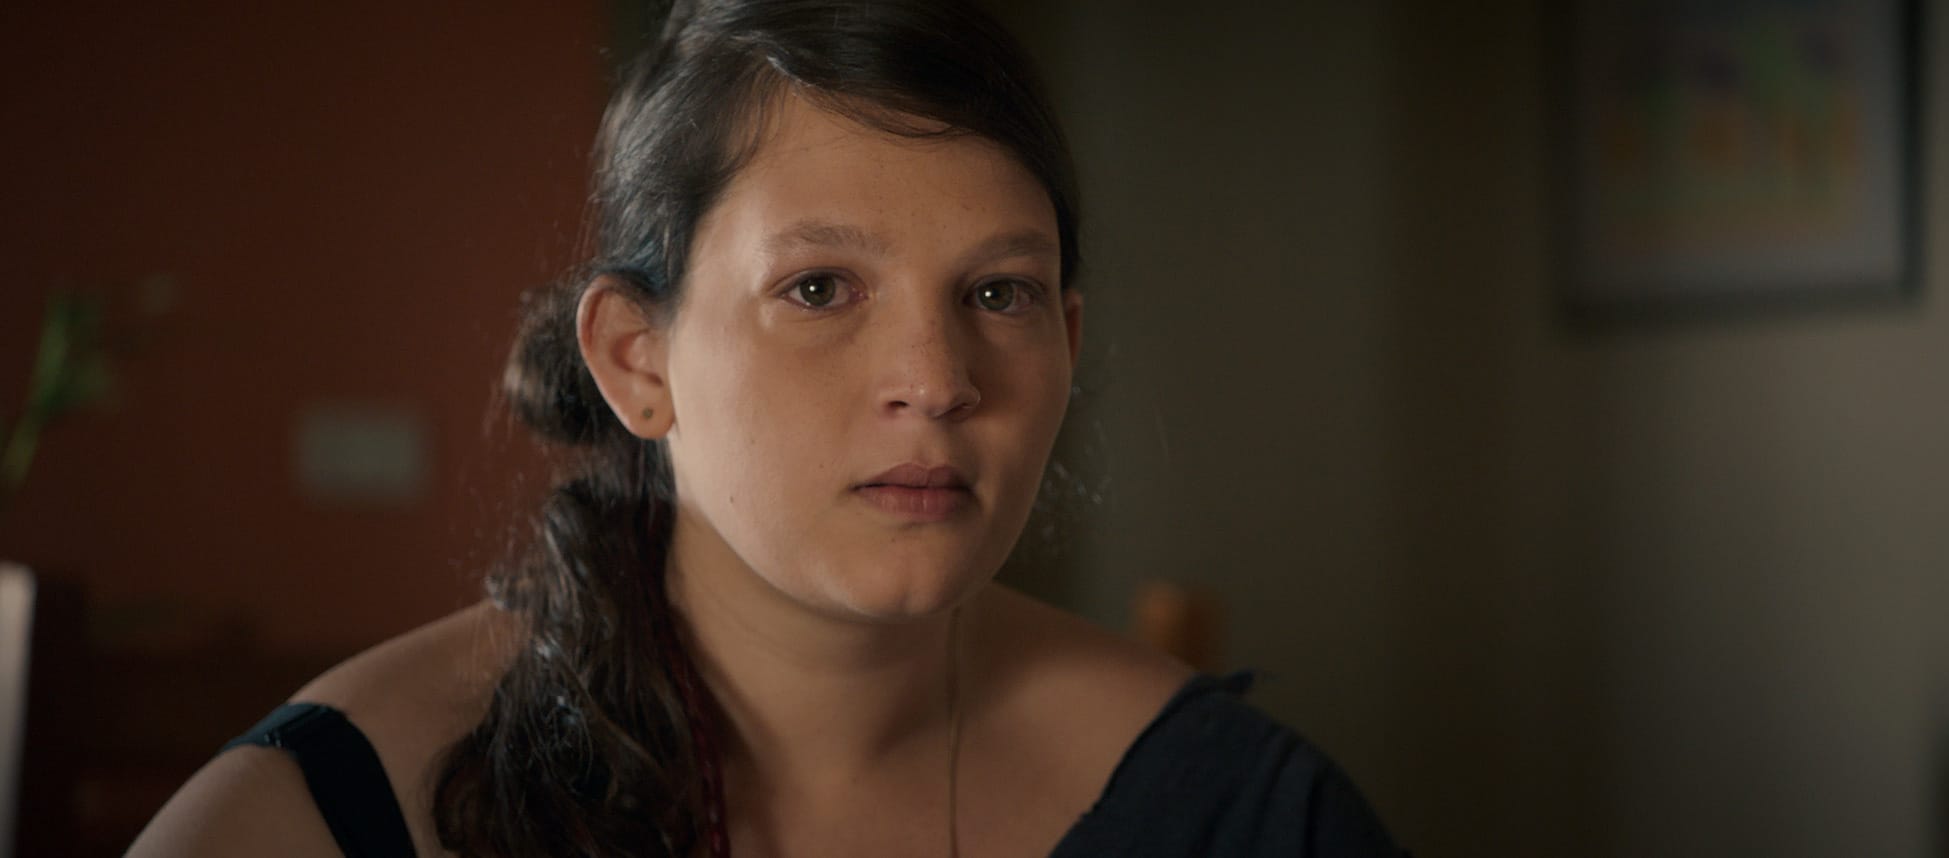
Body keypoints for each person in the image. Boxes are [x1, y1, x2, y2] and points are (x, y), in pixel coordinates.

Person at [128, 1, 1406, 855]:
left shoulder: (1243, 815)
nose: (935, 380)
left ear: (1066, 343)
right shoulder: (319, 821)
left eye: (996, 295)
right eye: (818, 289)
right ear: (638, 361)